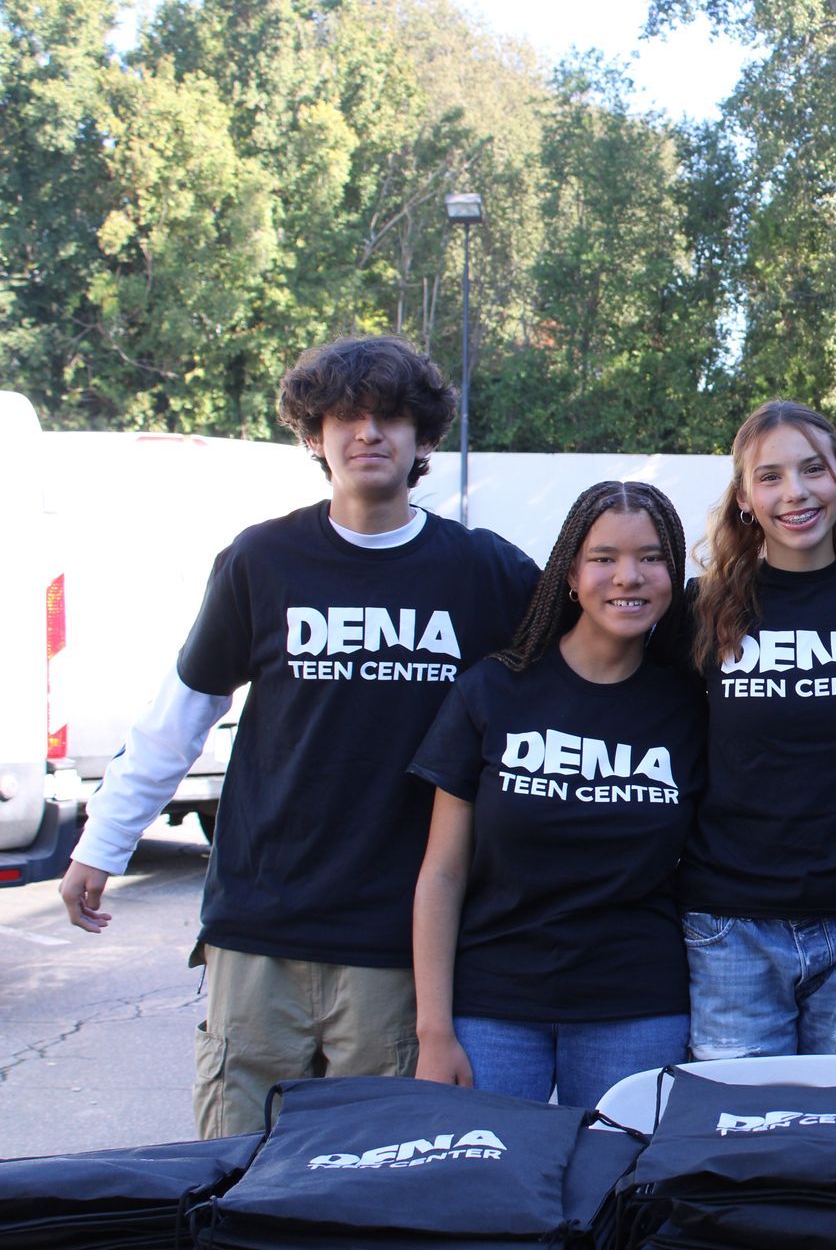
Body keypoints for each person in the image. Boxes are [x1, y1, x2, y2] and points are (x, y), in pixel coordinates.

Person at [59, 335, 539, 1138]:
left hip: (396, 947)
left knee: (366, 1182)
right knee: (233, 1173)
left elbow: (591, 671)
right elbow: (183, 712)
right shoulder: (263, 559)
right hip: (259, 930)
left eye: (390, 417)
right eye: (345, 418)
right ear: (314, 437)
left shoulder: (483, 571)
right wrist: (103, 843)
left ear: (422, 439)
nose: (368, 434)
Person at [411, 481, 704, 1107]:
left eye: (651, 558)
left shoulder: (692, 706)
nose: (629, 576)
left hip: (636, 1007)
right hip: (491, 1008)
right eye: (604, 558)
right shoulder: (493, 691)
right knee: (487, 1198)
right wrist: (433, 1029)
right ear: (571, 572)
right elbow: (442, 873)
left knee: (618, 1199)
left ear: (673, 574)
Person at [677, 402, 836, 1058]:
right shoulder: (705, 606)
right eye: (771, 476)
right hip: (731, 926)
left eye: (814, 469)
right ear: (746, 499)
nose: (795, 492)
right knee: (741, 1139)